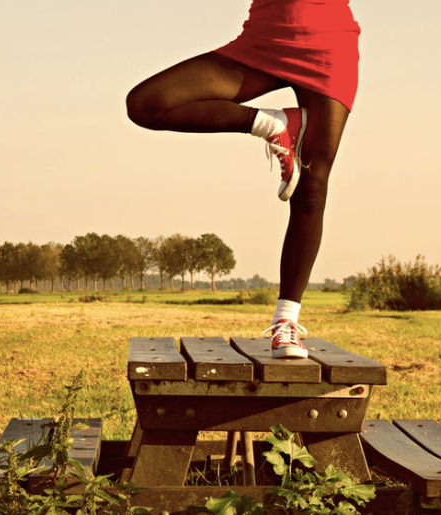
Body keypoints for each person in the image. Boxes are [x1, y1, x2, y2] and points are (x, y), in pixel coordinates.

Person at [126, 0, 360, 359]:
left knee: (312, 185)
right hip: (263, 41)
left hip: (329, 43)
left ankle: (286, 323)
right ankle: (271, 124)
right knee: (146, 103)